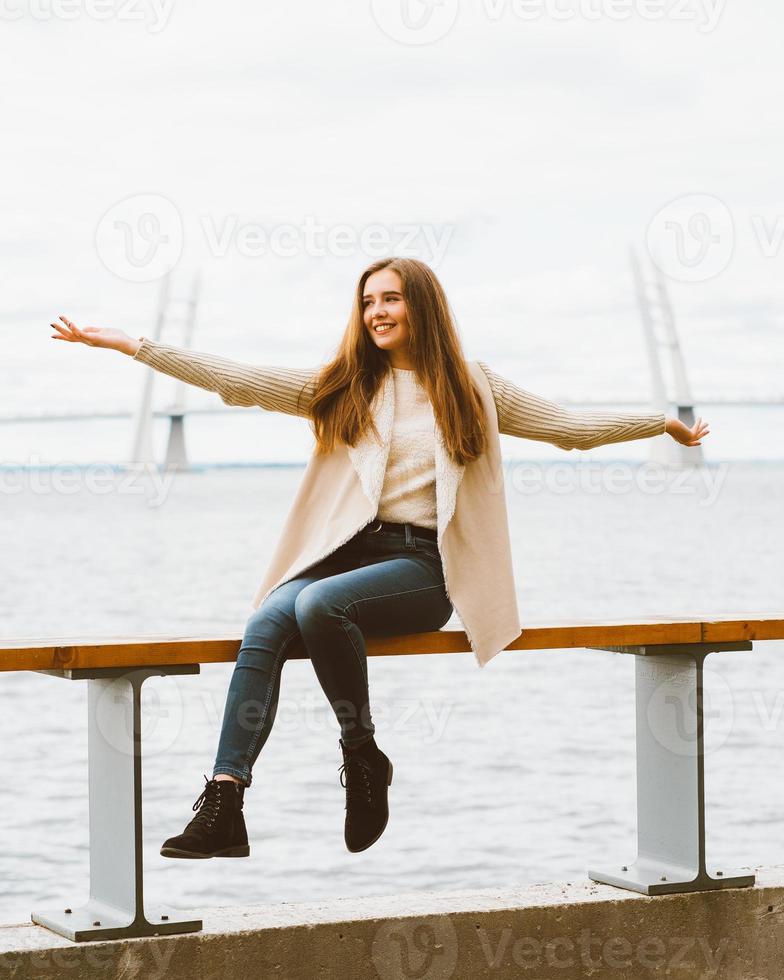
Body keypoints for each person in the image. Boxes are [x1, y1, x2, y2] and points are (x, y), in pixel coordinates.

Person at [50, 256, 708, 860]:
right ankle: (225, 801)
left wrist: (662, 423)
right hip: (346, 560)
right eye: (368, 302)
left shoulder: (471, 386)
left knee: (316, 602)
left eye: (391, 299)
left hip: (422, 569)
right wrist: (134, 345)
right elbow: (237, 380)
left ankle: (362, 756)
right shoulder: (345, 384)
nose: (378, 313)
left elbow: (569, 429)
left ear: (422, 306)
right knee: (268, 620)